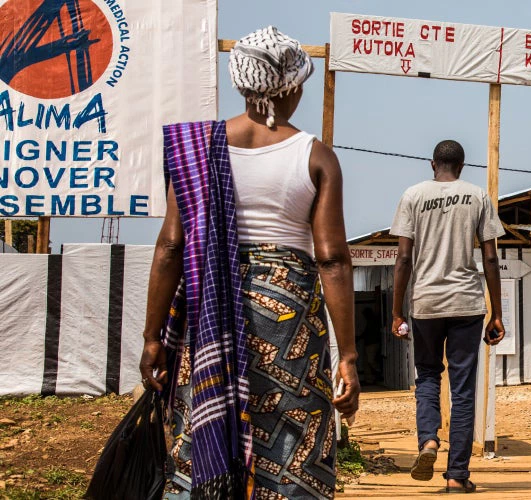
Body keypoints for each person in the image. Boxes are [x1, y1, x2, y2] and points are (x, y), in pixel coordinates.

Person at [137, 27, 360, 499]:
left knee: (205, 428)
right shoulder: (315, 156)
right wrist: (349, 356)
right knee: (293, 434)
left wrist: (152, 338)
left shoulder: (196, 150)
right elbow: (334, 260)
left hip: (212, 308)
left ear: (242, 85)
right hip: (289, 321)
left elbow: (171, 247)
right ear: (295, 88)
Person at [391, 140, 506, 494]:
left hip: (426, 304)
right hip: (467, 305)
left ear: (432, 164)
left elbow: (404, 259)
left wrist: (396, 312)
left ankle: (428, 441)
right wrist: (497, 313)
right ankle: (457, 475)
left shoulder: (413, 195)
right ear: (461, 165)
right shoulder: (477, 197)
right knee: (463, 390)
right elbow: (489, 258)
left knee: (427, 375)